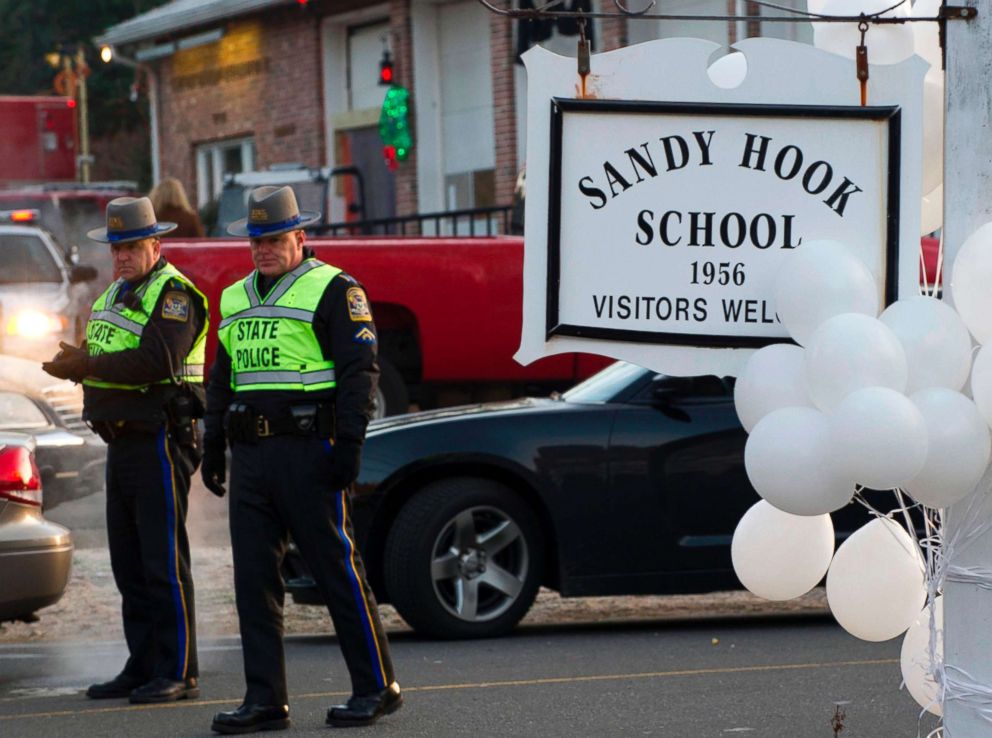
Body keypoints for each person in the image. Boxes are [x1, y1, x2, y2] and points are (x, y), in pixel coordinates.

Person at [202, 186, 400, 734]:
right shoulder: (236, 296)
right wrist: (212, 442)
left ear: (299, 236)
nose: (263, 248)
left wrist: (350, 446)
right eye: (255, 240)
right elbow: (223, 376)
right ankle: (265, 699)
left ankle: (376, 686)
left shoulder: (335, 289)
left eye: (273, 238)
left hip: (309, 452)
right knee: (254, 581)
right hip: (252, 456)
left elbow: (361, 374)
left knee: (337, 570)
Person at [41, 196, 208, 703]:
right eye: (116, 247)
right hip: (122, 441)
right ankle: (143, 663)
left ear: (156, 244)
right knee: (129, 563)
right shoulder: (113, 294)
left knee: (161, 561)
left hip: (159, 437)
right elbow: (109, 352)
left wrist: (87, 366)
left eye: (132, 246)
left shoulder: (174, 293)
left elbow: (156, 360)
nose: (122, 256)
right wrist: (81, 359)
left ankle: (178, 669)